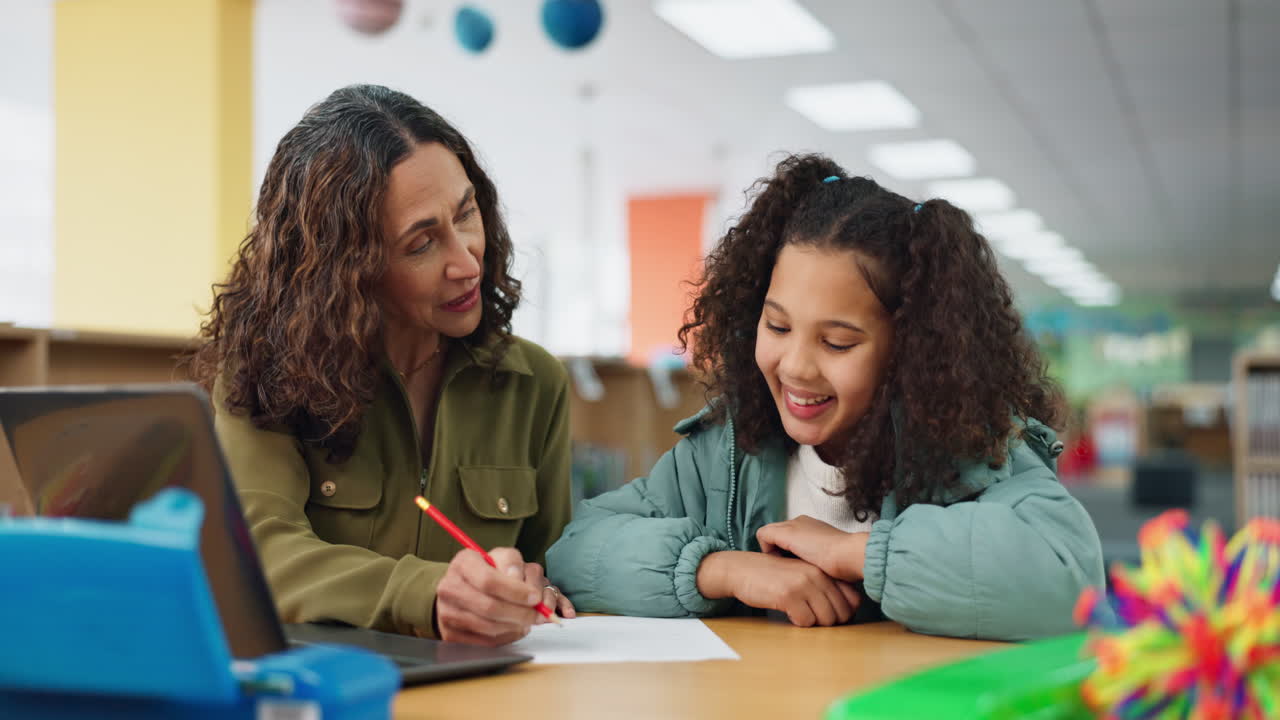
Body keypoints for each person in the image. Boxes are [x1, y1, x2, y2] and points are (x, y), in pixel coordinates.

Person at [547, 154, 1104, 641]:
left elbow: (1069, 577)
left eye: (837, 342)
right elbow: (577, 553)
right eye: (778, 327)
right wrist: (722, 568)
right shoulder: (726, 448)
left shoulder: (970, 444)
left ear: (909, 350)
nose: (795, 367)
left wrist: (855, 553)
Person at [190, 84, 575, 647]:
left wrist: (538, 586)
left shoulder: (535, 385)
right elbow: (257, 553)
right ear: (347, 268)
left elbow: (550, 562)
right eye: (422, 244)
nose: (468, 259)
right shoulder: (264, 375)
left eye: (466, 214)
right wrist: (428, 594)